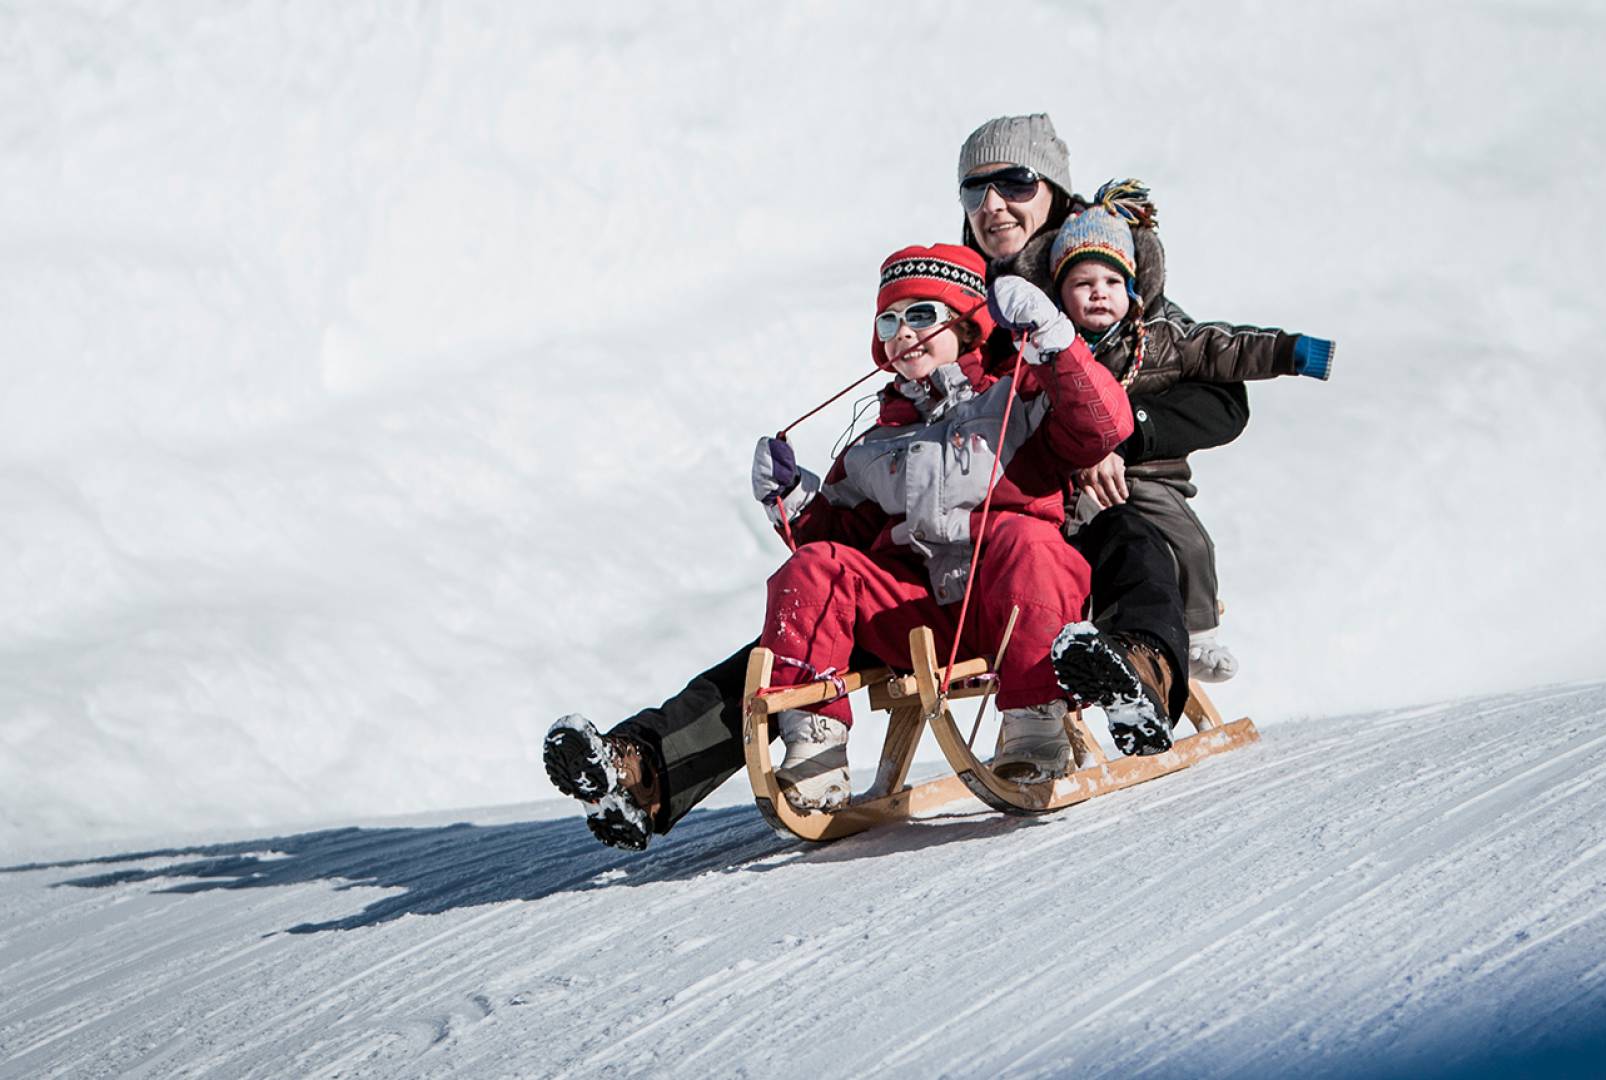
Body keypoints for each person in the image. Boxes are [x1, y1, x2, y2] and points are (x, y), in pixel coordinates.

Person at [541, 114, 1271, 850]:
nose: (995, 203)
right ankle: (646, 766)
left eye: (1015, 182)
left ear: (1053, 188)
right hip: (941, 531)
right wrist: (802, 504)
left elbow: (1217, 392)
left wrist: (1122, 432)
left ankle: (1134, 684)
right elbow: (869, 485)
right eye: (976, 187)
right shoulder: (952, 281)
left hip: (1088, 493)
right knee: (811, 608)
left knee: (1129, 546)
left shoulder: (1100, 261)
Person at [749, 243, 1133, 806]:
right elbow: (837, 542)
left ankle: (1033, 726)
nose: (903, 333)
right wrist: (792, 498)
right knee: (815, 567)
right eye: (889, 320)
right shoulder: (874, 443)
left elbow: (1101, 427)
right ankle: (815, 747)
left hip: (1013, 606)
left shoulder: (1015, 399)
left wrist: (1057, 345)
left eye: (921, 316)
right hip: (918, 616)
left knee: (1024, 538)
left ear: (968, 326)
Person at [1019, 180, 1335, 686]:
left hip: (1149, 474)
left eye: (1111, 281)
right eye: (1083, 284)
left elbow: (1224, 349)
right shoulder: (1049, 348)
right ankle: (1091, 637)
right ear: (1059, 295)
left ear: (1134, 290)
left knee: (1187, 540)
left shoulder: (1162, 337)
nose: (1098, 292)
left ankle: (1200, 631)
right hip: (1073, 479)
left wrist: (1289, 351)